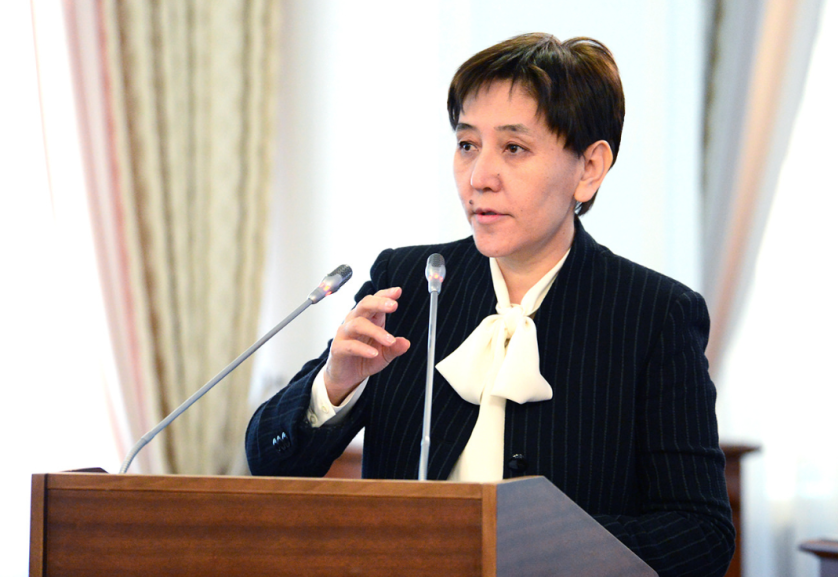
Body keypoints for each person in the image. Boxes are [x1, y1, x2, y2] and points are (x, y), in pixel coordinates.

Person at [246, 33, 735, 576]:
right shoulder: (409, 283)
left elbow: (701, 534)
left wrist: (538, 548)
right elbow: (269, 461)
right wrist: (334, 385)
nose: (479, 178)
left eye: (514, 148)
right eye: (467, 145)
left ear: (589, 168)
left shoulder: (653, 314)